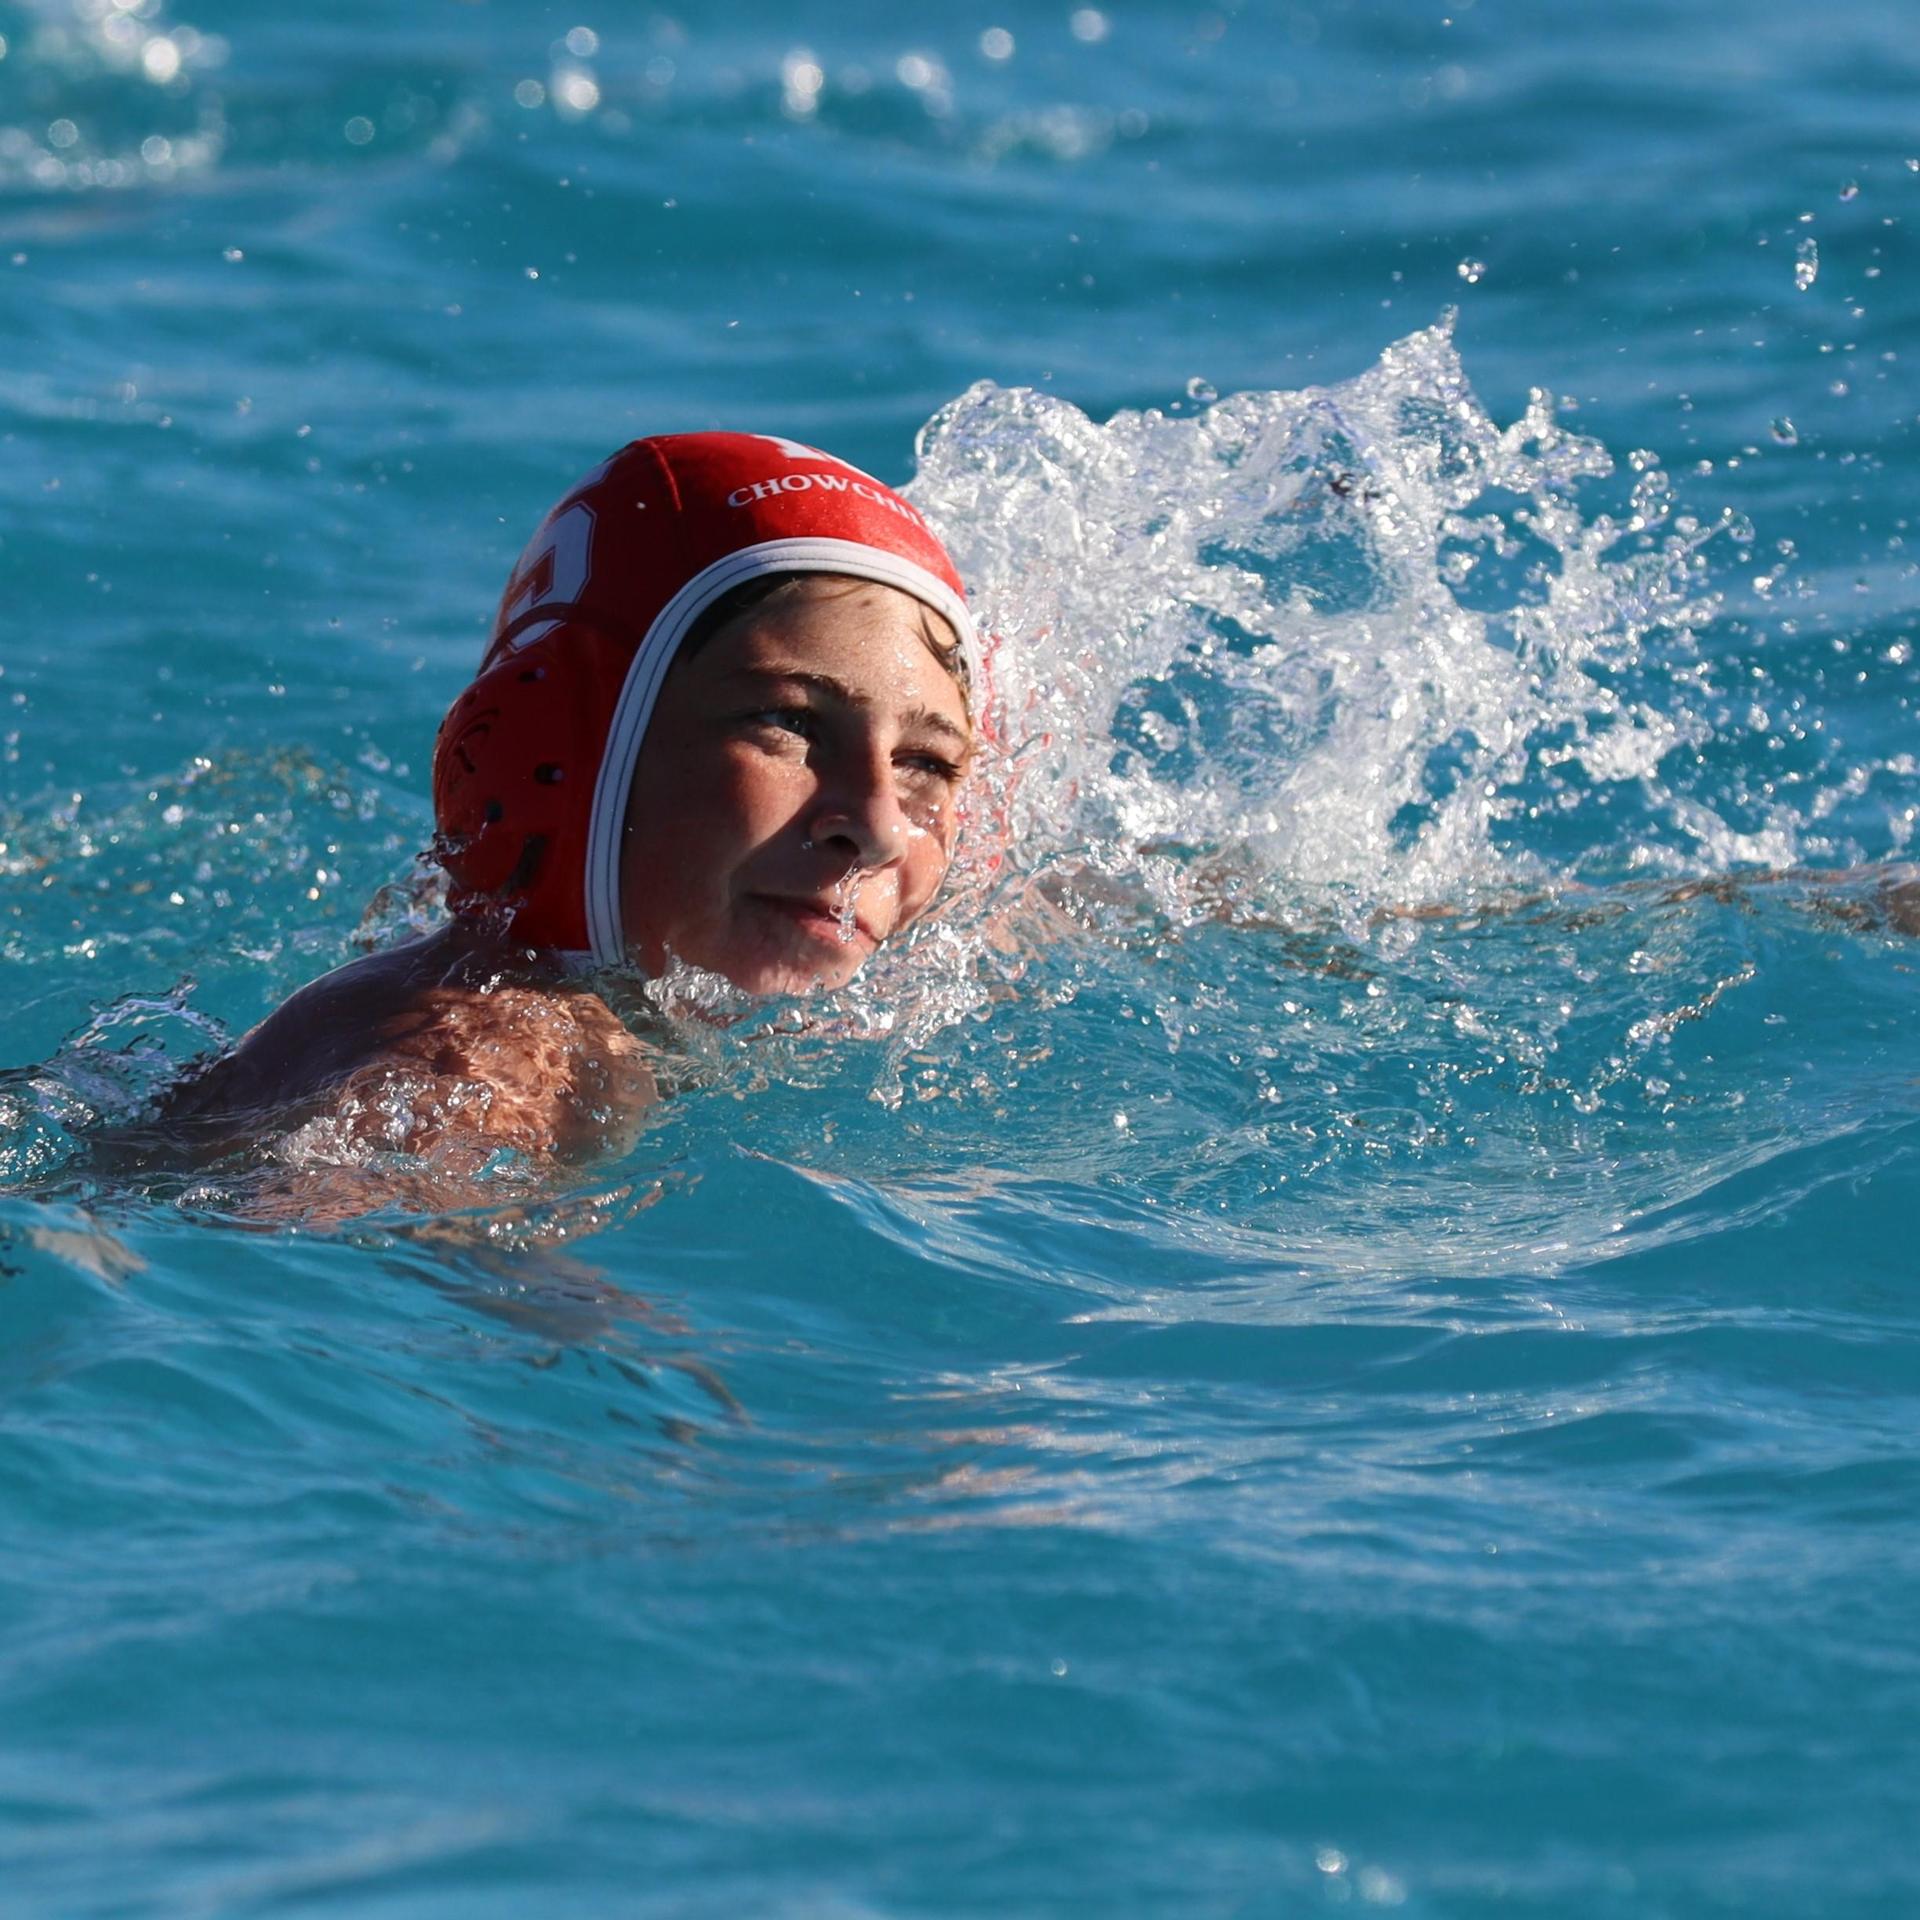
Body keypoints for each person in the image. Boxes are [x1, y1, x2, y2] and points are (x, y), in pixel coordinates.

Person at [153, 433, 985, 1201]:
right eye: (789, 723)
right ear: (565, 748)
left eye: (926, 762)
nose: (877, 827)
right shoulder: (506, 1052)